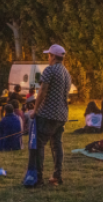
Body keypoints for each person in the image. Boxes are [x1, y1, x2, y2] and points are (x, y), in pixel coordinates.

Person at [25, 45, 72, 187]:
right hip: (62, 115)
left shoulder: (50, 70)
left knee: (39, 145)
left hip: (48, 115)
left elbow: (42, 91)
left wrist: (35, 110)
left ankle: (37, 178)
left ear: (52, 56)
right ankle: (57, 176)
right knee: (57, 145)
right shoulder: (66, 73)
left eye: (48, 55)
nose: (48, 58)